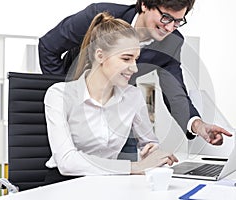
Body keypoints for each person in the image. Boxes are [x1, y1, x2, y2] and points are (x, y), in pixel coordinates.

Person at [39, 0, 232, 157]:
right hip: (76, 117)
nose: (170, 27)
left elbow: (175, 92)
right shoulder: (99, 15)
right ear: (145, 5)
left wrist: (197, 125)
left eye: (178, 21)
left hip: (119, 117)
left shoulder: (172, 43)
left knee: (129, 173)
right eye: (166, 17)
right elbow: (48, 46)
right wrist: (67, 96)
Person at [44, 12, 178, 184]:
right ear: (100, 56)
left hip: (108, 182)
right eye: (126, 58)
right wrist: (134, 167)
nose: (135, 68)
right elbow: (67, 162)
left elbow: (149, 142)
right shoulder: (59, 95)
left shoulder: (133, 96)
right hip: (63, 183)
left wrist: (152, 151)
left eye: (136, 59)